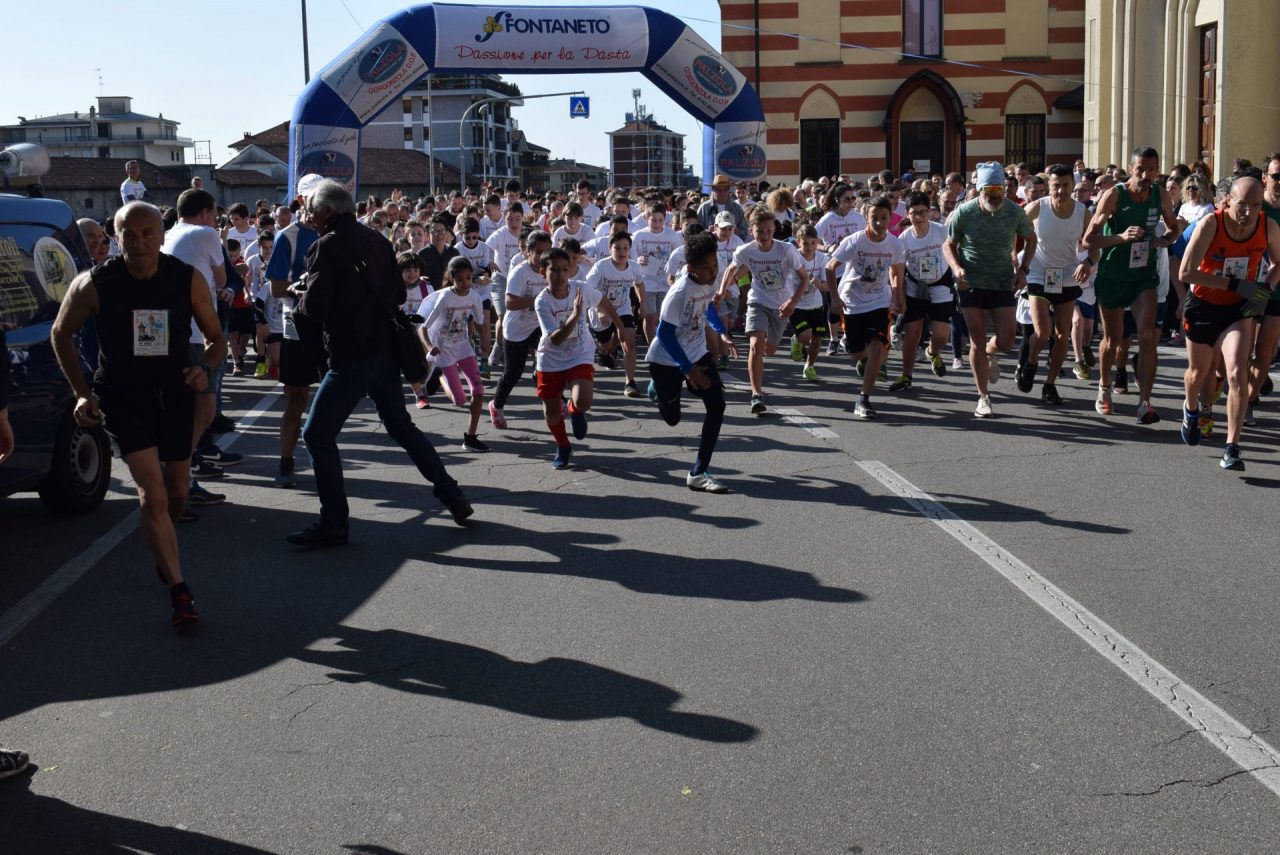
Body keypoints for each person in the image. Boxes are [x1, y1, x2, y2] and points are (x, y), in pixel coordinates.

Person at [52, 202, 225, 626]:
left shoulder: (186, 280)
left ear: (162, 236)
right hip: (123, 394)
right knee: (154, 493)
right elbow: (61, 333)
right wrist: (80, 392)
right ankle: (180, 591)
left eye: (148, 233)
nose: (139, 241)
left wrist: (203, 369)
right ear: (116, 237)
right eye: (129, 233)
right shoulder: (94, 283)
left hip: (175, 390)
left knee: (178, 491)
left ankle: (163, 550)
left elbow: (216, 339)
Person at [289, 180, 473, 547]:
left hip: (351, 356)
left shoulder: (325, 246)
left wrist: (302, 295)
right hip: (384, 352)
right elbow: (393, 294)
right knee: (401, 427)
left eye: (310, 208)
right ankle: (452, 494)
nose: (307, 214)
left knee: (316, 434)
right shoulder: (376, 239)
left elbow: (318, 308)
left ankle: (334, 521)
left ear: (327, 211)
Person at [1177, 177, 1279, 471]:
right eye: (1242, 205)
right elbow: (1186, 272)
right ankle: (1191, 408)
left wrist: (1265, 289)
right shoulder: (1212, 224)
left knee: (1236, 372)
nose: (1248, 212)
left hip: (1237, 309)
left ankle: (1232, 447)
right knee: (1197, 374)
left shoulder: (1267, 226)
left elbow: (1278, 263)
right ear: (1228, 200)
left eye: (1256, 205)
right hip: (1203, 305)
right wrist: (1235, 283)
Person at [1082, 146, 1180, 422]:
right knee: (1113, 340)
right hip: (1113, 275)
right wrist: (1121, 237)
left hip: (1143, 275)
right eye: (1141, 169)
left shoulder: (1161, 195)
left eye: (1152, 169)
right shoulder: (1114, 195)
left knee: (1148, 336)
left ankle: (1145, 403)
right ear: (1131, 168)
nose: (1147, 174)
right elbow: (1090, 239)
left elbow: (1173, 228)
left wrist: (1166, 239)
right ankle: (1104, 389)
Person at [943, 161, 1037, 418]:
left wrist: (1023, 270)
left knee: (1007, 340)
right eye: (990, 191)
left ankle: (989, 352)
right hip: (970, 282)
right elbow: (948, 245)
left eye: (999, 191)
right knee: (976, 339)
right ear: (979, 189)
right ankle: (983, 396)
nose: (995, 196)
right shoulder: (965, 212)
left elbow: (1031, 239)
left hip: (1002, 281)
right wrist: (957, 268)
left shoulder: (1014, 212)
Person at [647, 232, 737, 492]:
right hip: (666, 360)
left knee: (717, 405)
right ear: (690, 268)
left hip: (697, 350)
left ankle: (699, 472)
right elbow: (663, 334)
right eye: (706, 267)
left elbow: (707, 307)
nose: (712, 272)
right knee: (673, 418)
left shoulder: (709, 281)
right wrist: (687, 370)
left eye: (714, 265)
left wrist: (721, 332)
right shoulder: (679, 293)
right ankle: (659, 391)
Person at [160, 189, 233, 507]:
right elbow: (222, 276)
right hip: (197, 334)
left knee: (187, 410)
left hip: (177, 334)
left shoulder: (171, 233)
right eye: (214, 214)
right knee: (203, 410)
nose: (216, 221)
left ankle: (180, 474)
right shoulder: (205, 233)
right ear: (204, 212)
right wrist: (226, 288)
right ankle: (180, 477)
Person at [533, 248, 622, 469]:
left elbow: (603, 302)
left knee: (583, 400)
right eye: (554, 270)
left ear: (571, 271)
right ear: (543, 272)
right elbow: (554, 339)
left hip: (578, 354)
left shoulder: (581, 289)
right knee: (551, 410)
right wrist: (574, 316)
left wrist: (622, 328)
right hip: (550, 359)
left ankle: (574, 410)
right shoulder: (542, 301)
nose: (560, 275)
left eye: (565, 269)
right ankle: (563, 446)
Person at [718, 208, 808, 415]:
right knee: (756, 346)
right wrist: (721, 292)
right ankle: (756, 394)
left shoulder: (786, 250)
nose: (765, 236)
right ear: (751, 231)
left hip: (781, 305)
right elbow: (732, 269)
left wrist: (792, 303)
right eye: (760, 232)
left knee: (769, 351)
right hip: (757, 301)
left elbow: (804, 278)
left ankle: (792, 340)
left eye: (769, 230)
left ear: (774, 228)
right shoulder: (746, 250)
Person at [1018, 165, 1096, 404]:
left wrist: (1089, 261)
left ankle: (1050, 384)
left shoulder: (1083, 213)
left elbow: (1094, 243)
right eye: (1056, 186)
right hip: (1039, 274)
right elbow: (1016, 230)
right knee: (1042, 333)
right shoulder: (1037, 207)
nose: (1060, 191)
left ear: (1073, 187)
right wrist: (1017, 261)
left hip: (1067, 276)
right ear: (1049, 186)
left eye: (1065, 186)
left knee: (1062, 335)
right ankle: (1031, 362)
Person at [267, 174, 326, 488]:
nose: (320, 203)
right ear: (302, 200)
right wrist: (303, 292)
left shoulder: (334, 233)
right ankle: (286, 460)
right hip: (297, 327)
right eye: (314, 197)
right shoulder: (287, 236)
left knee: (334, 399)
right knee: (297, 398)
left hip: (329, 325)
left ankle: (325, 458)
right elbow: (276, 288)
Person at [828, 195, 906, 419]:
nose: (880, 223)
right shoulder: (854, 241)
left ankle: (863, 399)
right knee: (857, 353)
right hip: (851, 302)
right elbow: (830, 268)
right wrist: (834, 298)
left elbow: (896, 272)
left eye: (884, 218)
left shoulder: (895, 244)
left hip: (879, 302)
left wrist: (897, 297)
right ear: (866, 217)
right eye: (875, 218)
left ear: (891, 218)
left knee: (878, 349)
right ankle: (853, 349)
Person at [418, 257, 490, 451]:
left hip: (463, 347)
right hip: (444, 350)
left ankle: (471, 437)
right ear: (452, 278)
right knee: (460, 401)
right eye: (460, 279)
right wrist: (430, 346)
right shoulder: (445, 298)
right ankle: (440, 376)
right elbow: (424, 328)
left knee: (478, 390)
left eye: (468, 278)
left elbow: (478, 320)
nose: (465, 283)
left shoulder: (474, 296)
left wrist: (481, 345)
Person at [489, 230, 552, 429]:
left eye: (547, 251)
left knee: (550, 362)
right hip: (516, 328)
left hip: (539, 326)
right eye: (539, 252)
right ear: (528, 251)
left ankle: (553, 398)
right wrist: (537, 301)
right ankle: (496, 405)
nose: (544, 256)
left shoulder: (550, 269)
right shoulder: (520, 271)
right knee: (513, 373)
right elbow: (509, 302)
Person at [894, 191, 954, 390]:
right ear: (908, 214)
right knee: (912, 334)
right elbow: (897, 271)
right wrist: (899, 296)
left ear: (930, 212)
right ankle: (906, 376)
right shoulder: (903, 240)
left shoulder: (942, 231)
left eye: (923, 212)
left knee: (941, 336)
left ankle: (932, 351)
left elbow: (956, 253)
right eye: (914, 213)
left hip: (941, 285)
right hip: (915, 287)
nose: (918, 217)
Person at [585, 230, 646, 397]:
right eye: (617, 248)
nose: (622, 252)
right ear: (610, 248)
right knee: (604, 345)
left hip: (623, 309)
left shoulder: (634, 267)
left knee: (629, 342)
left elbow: (639, 284)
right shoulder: (601, 267)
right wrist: (599, 309)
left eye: (626, 248)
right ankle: (604, 352)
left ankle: (630, 382)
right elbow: (588, 288)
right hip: (601, 309)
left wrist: (643, 304)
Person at [790, 224, 830, 382]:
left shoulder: (822, 258)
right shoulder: (793, 257)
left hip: (815, 303)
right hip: (797, 304)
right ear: (798, 242)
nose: (809, 247)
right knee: (806, 336)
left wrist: (819, 284)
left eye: (813, 243)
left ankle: (809, 366)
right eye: (805, 243)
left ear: (817, 242)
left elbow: (828, 286)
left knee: (817, 339)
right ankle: (797, 339)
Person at [696, 174, 747, 240]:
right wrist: (707, 233)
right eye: (719, 190)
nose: (722, 193)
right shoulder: (704, 208)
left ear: (729, 190)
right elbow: (696, 232)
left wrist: (737, 232)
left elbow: (745, 232)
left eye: (725, 190)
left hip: (732, 248)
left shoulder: (737, 208)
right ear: (713, 190)